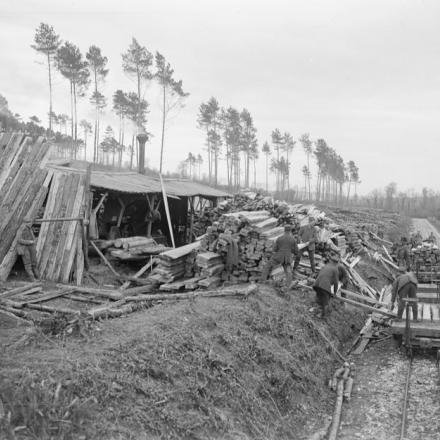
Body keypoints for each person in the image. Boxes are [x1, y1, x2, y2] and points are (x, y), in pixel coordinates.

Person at [313, 253, 340, 317]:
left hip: (317, 284)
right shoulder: (335, 269)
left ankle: (316, 312)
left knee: (319, 298)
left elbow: (320, 275)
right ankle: (322, 316)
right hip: (324, 286)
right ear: (336, 263)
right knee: (325, 302)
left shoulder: (325, 266)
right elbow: (336, 282)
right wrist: (335, 292)